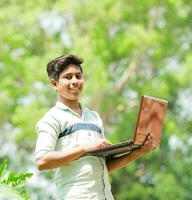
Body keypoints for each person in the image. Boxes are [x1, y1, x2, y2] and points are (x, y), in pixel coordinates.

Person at [34, 54, 153, 200]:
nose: (75, 81)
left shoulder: (94, 117)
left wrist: (137, 152)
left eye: (78, 76)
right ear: (54, 84)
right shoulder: (52, 118)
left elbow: (102, 167)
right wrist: (85, 148)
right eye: (68, 77)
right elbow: (42, 161)